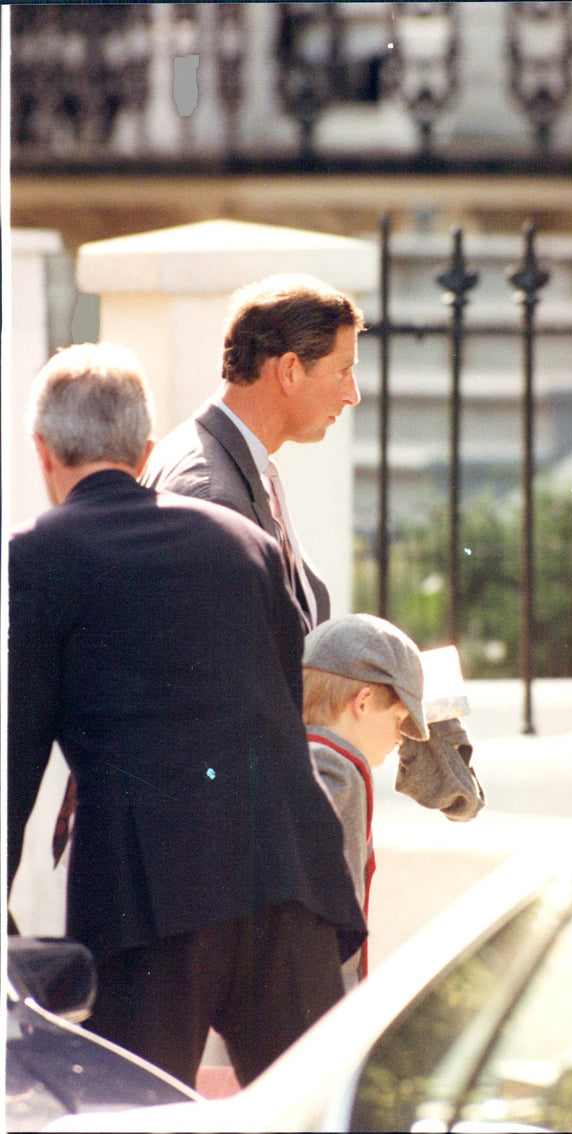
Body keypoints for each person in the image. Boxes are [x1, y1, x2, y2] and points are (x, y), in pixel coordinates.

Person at [7, 342, 366, 1090]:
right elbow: (282, 706)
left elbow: (13, 755)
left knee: (136, 1116)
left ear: (41, 451)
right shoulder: (242, 542)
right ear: (144, 451)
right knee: (316, 1112)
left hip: (150, 903)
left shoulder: (36, 558)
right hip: (289, 879)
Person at [140, 272, 366, 629]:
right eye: (343, 371)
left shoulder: (229, 463)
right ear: (290, 370)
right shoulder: (213, 496)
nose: (353, 394)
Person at [301, 614, 429, 990]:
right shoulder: (337, 768)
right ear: (364, 702)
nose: (400, 738)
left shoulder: (286, 755)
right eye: (400, 719)